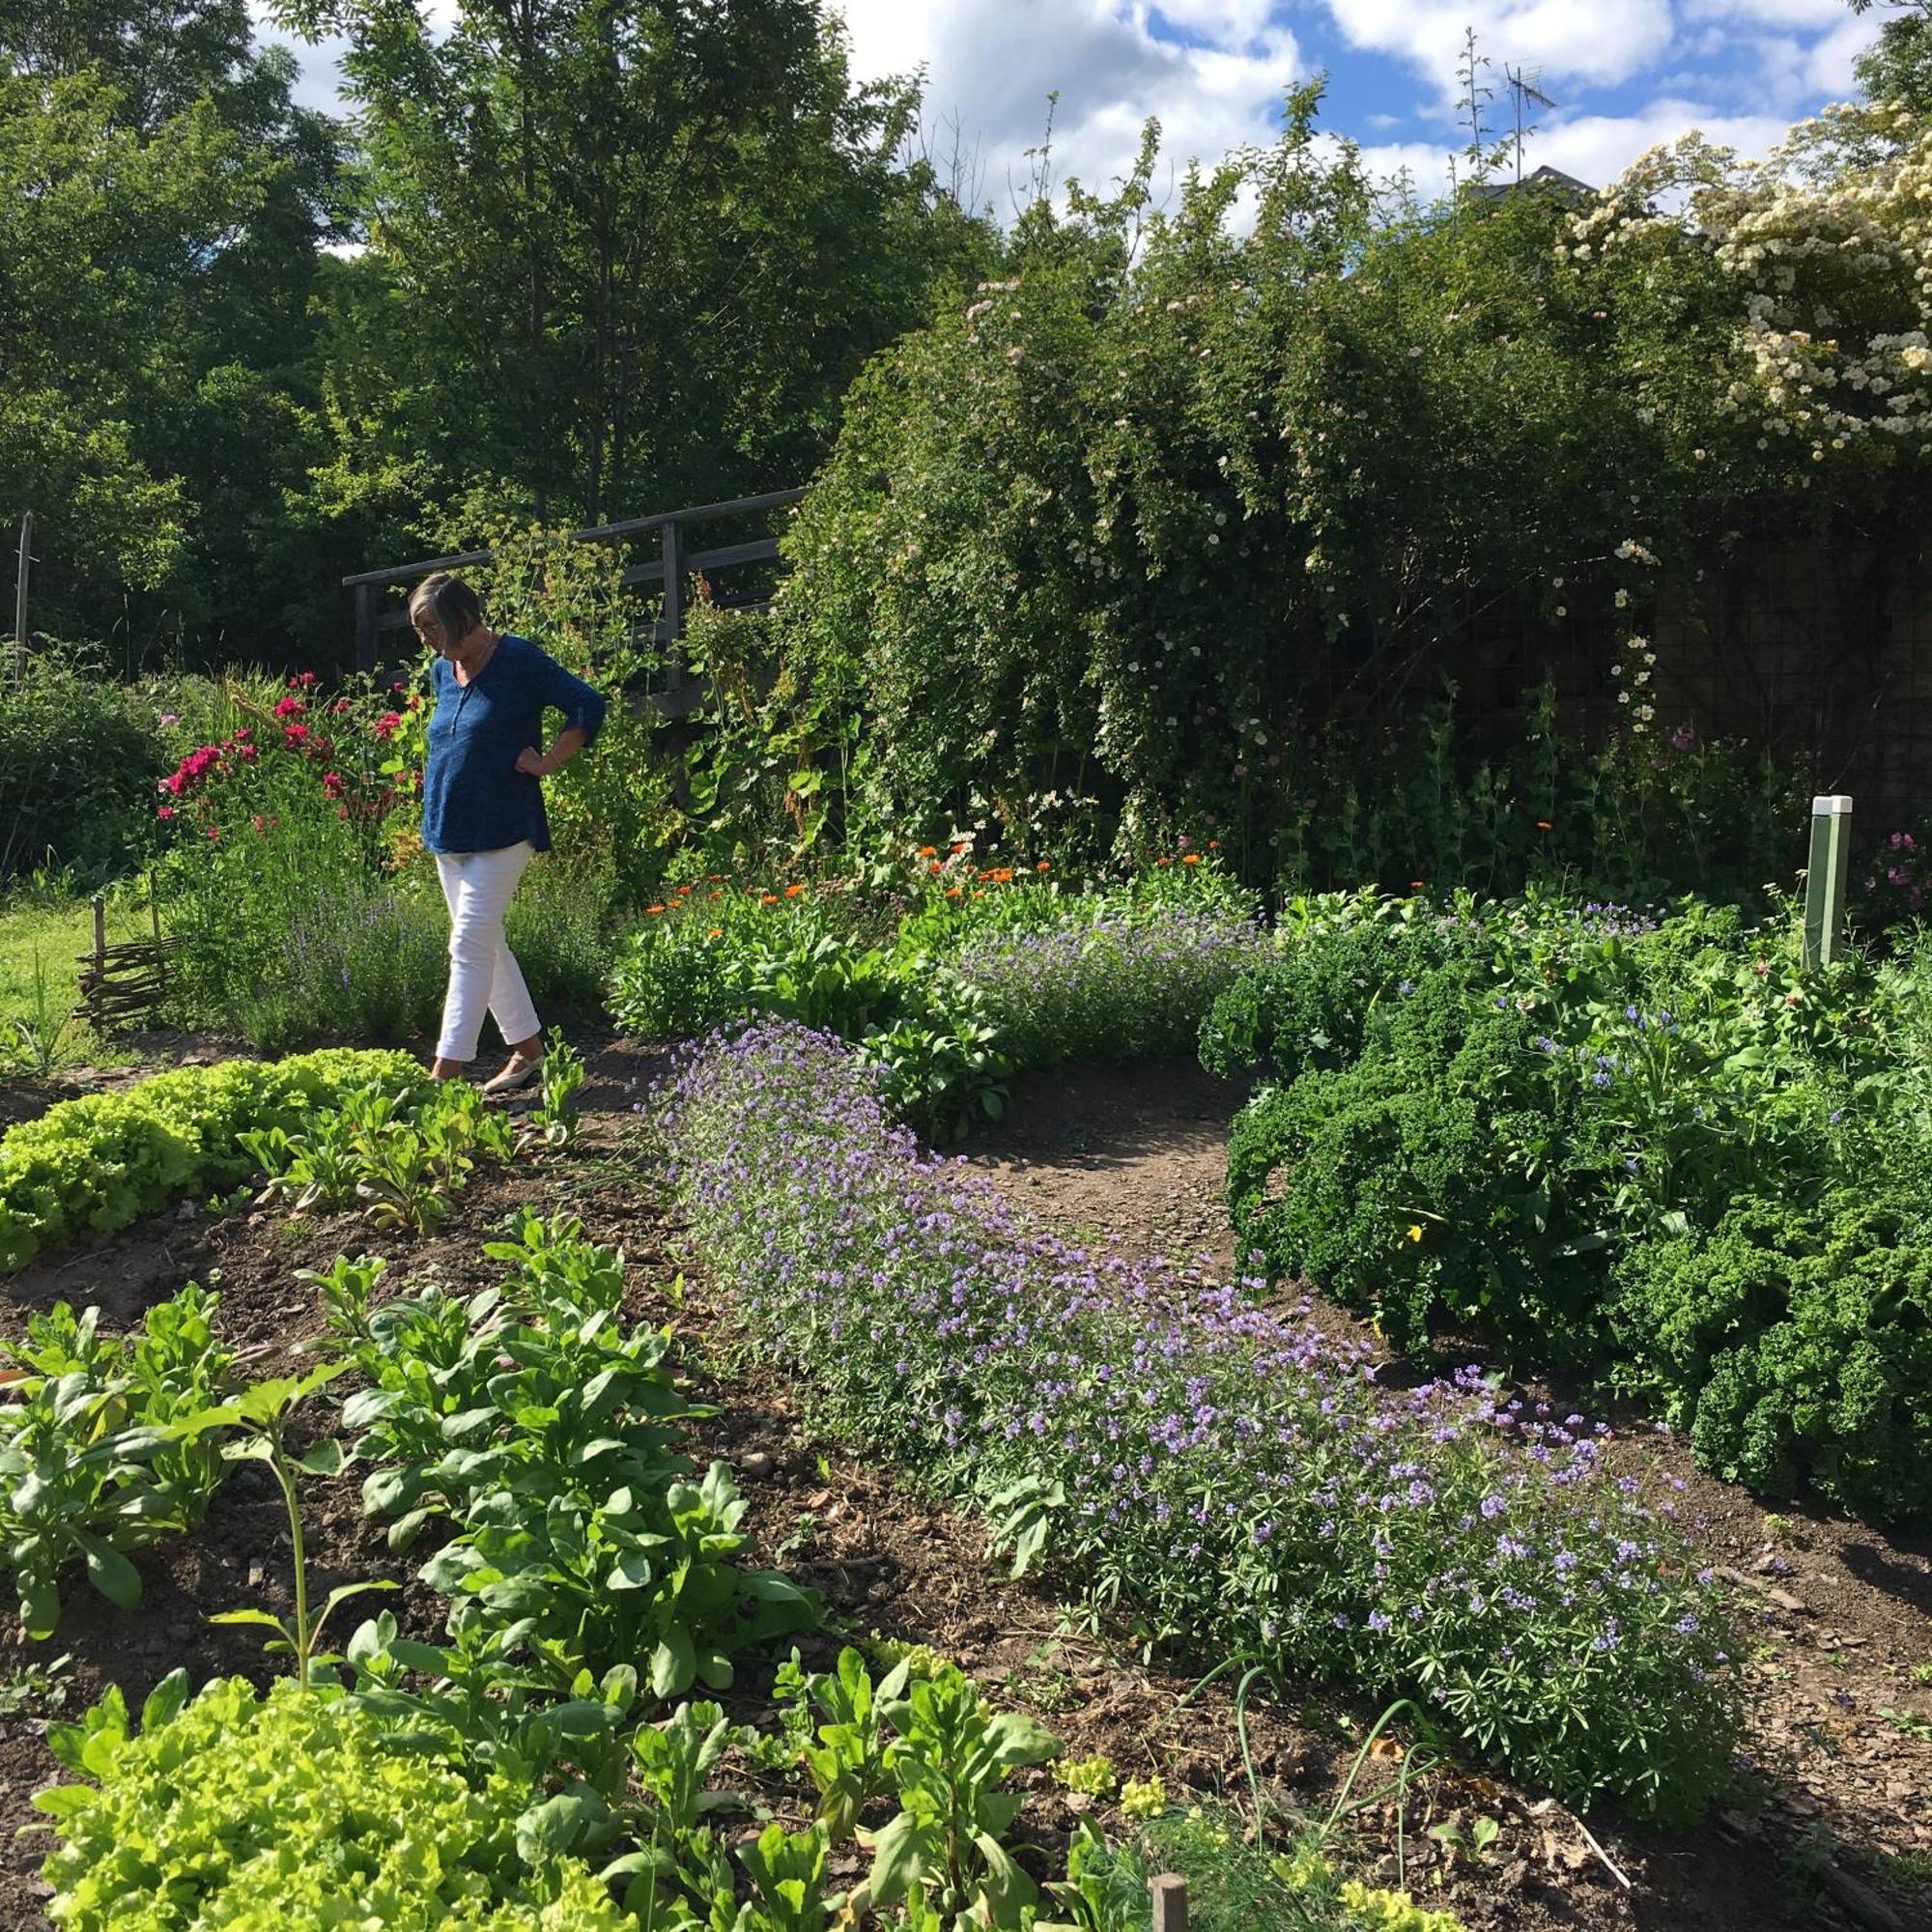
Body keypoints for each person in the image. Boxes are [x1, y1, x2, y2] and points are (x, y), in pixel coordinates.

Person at [410, 570, 608, 1093]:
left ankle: (442, 1078)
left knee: (468, 946)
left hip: (504, 827)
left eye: (432, 626)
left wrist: (547, 763)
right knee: (486, 944)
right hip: (448, 829)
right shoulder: (441, 671)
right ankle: (528, 1052)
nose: (426, 638)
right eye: (420, 629)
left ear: (462, 618)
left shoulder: (518, 659)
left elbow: (588, 704)